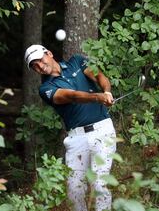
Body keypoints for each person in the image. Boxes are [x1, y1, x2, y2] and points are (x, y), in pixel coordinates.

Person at [24, 44, 117, 211]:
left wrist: (107, 92)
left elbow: (99, 76)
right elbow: (71, 96)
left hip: (102, 130)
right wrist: (97, 97)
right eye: (34, 66)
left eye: (40, 60)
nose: (39, 66)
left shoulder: (77, 62)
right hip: (76, 138)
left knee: (99, 183)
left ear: (49, 53)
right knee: (74, 190)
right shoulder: (45, 89)